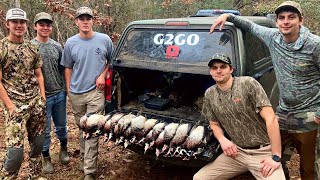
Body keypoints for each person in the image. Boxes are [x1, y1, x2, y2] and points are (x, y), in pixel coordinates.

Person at [209, 1, 320, 179]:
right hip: (282, 113)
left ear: (301, 20)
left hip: (308, 116)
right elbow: (250, 26)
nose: (286, 21)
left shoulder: (314, 45)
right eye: (281, 18)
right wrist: (228, 16)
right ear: (276, 22)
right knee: (276, 158)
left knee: (308, 165)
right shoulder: (272, 36)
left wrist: (318, 114)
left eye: (291, 17)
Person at [193, 53, 285, 179]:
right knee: (199, 178)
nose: (218, 71)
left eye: (223, 67)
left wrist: (275, 156)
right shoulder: (210, 93)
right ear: (210, 71)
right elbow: (213, 123)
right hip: (237, 153)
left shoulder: (247, 84)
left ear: (231, 69)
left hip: (262, 152)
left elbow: (271, 119)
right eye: (214, 68)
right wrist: (223, 140)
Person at [60, 6, 113, 180]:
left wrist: (102, 75)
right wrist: (69, 90)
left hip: (95, 92)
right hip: (76, 93)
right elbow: (68, 67)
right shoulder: (70, 43)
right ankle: (85, 157)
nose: (85, 21)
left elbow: (112, 61)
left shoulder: (104, 40)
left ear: (93, 21)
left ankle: (89, 172)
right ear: (76, 22)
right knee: (82, 127)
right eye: (81, 18)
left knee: (91, 130)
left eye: (88, 18)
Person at [0, 8, 46, 179]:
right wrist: (10, 106)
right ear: (7, 24)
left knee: (38, 145)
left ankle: (35, 176)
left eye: (22, 22)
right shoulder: (2, 47)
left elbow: (39, 74)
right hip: (15, 107)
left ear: (26, 25)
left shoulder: (32, 48)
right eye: (15, 22)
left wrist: (42, 98)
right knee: (15, 153)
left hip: (36, 103)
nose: (19, 25)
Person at [31, 12, 70, 174]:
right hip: (41, 97)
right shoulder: (30, 47)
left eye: (48, 25)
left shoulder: (57, 46)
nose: (45, 27)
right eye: (42, 24)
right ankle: (46, 157)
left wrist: (65, 90)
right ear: (35, 27)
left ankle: (64, 149)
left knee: (61, 125)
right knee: (45, 130)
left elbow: (62, 69)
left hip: (59, 93)